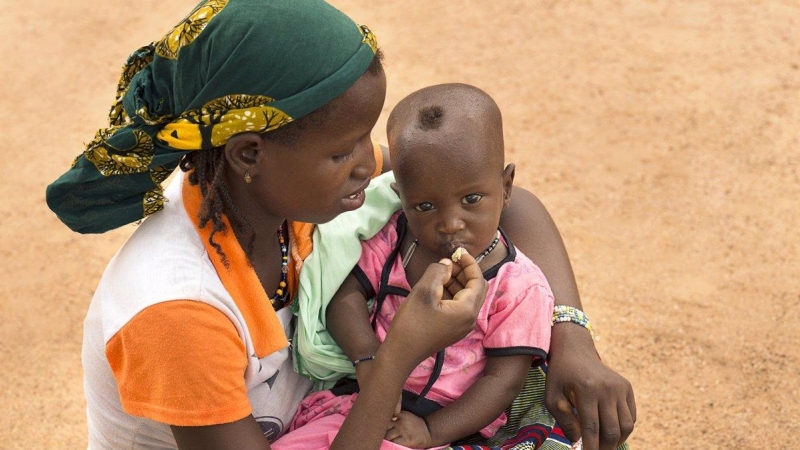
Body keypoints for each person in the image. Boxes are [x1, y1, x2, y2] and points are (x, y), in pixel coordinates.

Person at [44, 1, 635, 449]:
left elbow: (514, 205)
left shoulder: (283, 193)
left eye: (366, 137)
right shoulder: (177, 313)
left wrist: (571, 339)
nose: (369, 161)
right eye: (343, 150)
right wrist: (398, 349)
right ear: (249, 153)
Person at [271, 83, 555, 450]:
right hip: (358, 406)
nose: (450, 222)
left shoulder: (519, 286)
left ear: (506, 186)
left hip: (444, 429)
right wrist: (369, 358)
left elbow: (503, 382)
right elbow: (346, 299)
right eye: (424, 206)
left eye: (471, 199)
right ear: (400, 198)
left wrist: (432, 431)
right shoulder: (395, 241)